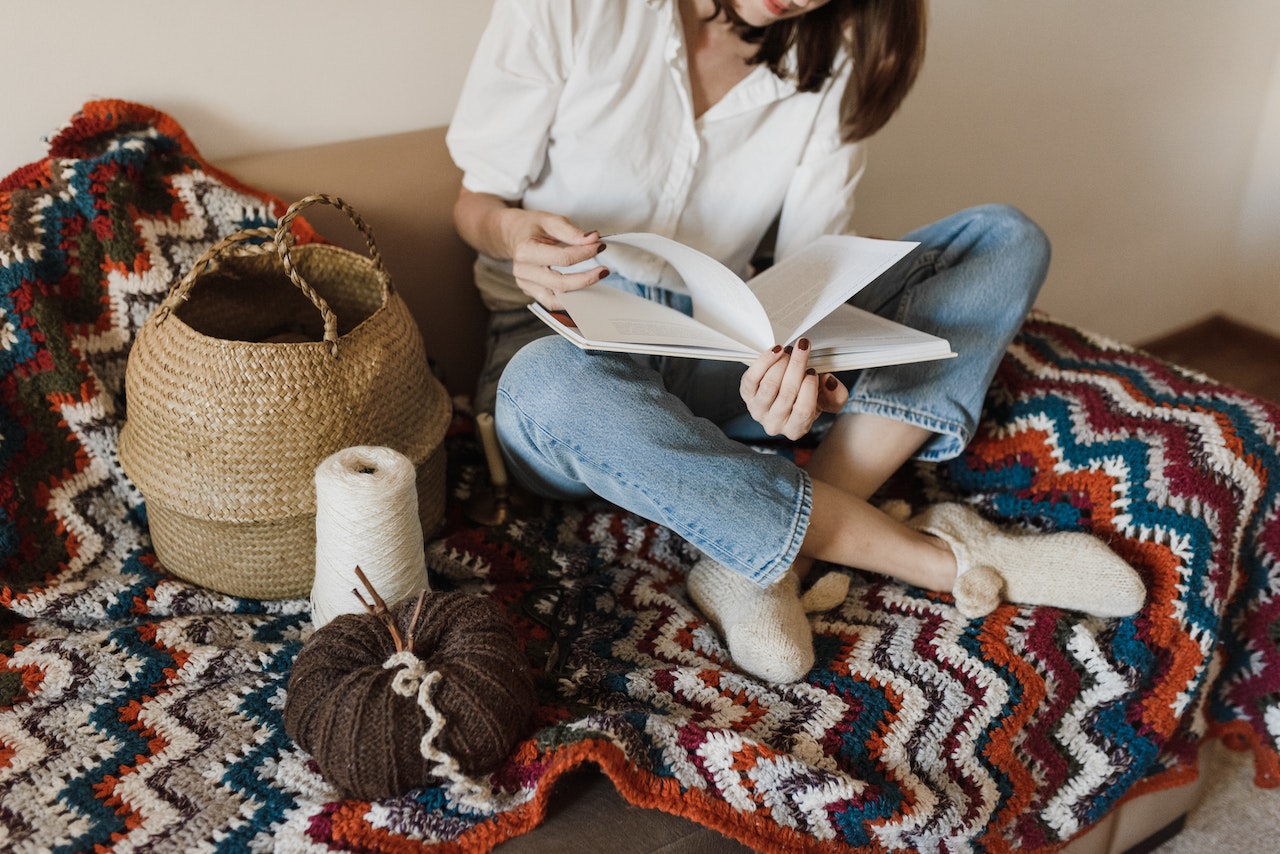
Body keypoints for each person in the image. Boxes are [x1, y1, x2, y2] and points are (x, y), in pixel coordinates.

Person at [446, 0, 1146, 683]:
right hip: (566, 338)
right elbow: (475, 204)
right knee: (548, 386)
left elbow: (812, 279)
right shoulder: (570, 9)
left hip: (720, 342)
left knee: (1003, 239)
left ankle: (768, 559)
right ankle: (939, 559)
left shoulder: (832, 57)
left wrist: (802, 375)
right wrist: (514, 234)